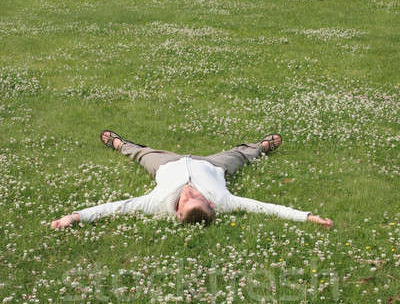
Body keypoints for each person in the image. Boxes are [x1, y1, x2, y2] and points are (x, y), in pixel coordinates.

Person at [50, 131, 333, 229]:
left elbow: (118, 207)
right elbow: (265, 207)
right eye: (192, 197)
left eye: (184, 201)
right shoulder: (224, 201)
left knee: (141, 154)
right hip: (213, 165)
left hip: (166, 165)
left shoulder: (157, 204)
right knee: (238, 155)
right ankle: (260, 147)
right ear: (210, 204)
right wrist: (307, 217)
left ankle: (120, 144)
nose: (187, 194)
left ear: (177, 213)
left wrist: (74, 217)